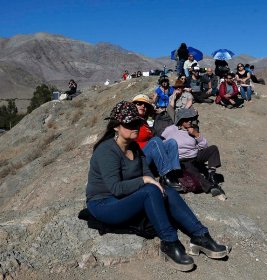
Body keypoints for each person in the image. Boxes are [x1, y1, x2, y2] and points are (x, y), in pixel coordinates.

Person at [86, 101, 228, 271]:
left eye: (137, 122)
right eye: (130, 123)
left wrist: (150, 181)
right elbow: (116, 188)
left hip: (126, 198)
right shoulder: (106, 150)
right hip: (104, 204)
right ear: (116, 126)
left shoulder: (134, 148)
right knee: (150, 189)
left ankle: (200, 236)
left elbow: (147, 173)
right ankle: (169, 242)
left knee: (166, 190)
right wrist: (145, 181)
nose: (136, 127)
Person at [162, 108, 226, 197]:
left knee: (213, 149)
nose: (189, 121)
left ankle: (211, 174)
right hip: (182, 159)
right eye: (186, 119)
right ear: (180, 119)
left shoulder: (193, 129)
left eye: (191, 119)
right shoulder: (171, 129)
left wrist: (196, 134)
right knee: (193, 172)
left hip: (195, 156)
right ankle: (210, 187)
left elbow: (204, 146)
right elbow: (162, 142)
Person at [132, 94, 182, 191]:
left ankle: (174, 173)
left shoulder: (145, 123)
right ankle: (166, 174)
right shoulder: (131, 121)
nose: (143, 106)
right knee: (155, 141)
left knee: (171, 142)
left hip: (149, 155)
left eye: (145, 105)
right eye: (139, 104)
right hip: (138, 158)